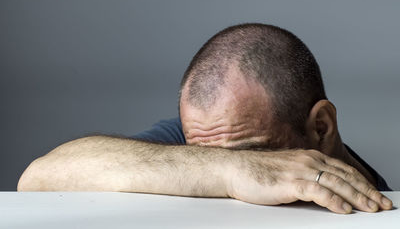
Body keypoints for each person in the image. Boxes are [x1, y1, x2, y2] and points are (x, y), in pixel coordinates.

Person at [18, 23, 392, 214]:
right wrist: (230, 170)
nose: (234, 170)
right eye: (206, 155)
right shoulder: (206, 141)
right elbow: (39, 178)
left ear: (321, 128)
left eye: (256, 155)